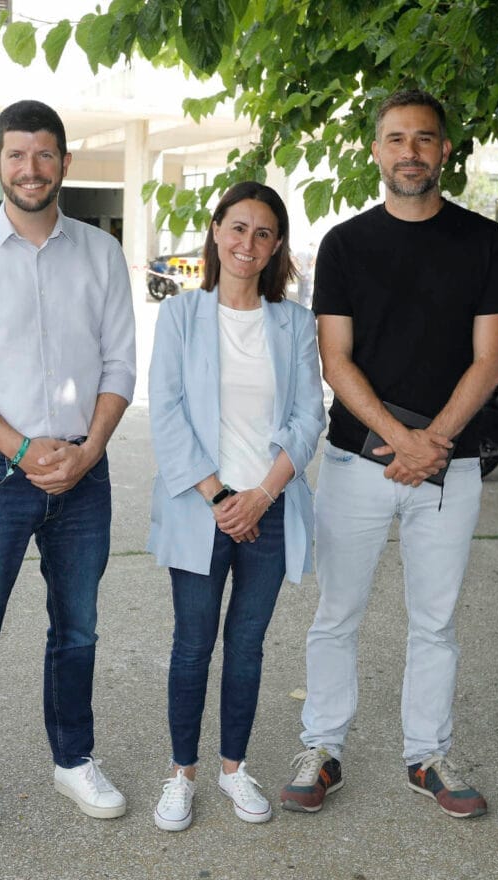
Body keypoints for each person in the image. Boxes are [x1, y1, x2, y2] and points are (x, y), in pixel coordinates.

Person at [281, 88, 498, 818]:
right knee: (336, 613)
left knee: (436, 620)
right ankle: (321, 748)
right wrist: (401, 439)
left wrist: (432, 442)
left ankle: (429, 755)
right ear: (376, 151)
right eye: (396, 138)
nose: (410, 151)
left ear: (445, 151)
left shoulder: (483, 241)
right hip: (356, 463)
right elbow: (336, 360)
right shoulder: (346, 245)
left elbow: (490, 360)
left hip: (451, 467)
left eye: (424, 138)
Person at [0, 99, 137, 852]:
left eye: (45, 155)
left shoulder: (101, 254)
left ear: (66, 164)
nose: (31, 169)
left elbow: (118, 366)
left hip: (86, 467)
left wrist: (88, 450)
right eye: (17, 155)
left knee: (77, 630)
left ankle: (73, 760)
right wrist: (20, 450)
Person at [147, 182, 325, 832]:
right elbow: (165, 415)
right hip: (203, 508)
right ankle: (181, 776)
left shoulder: (294, 322)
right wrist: (222, 497)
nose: (247, 243)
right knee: (192, 645)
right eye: (237, 227)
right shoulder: (182, 316)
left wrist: (262, 494)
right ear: (216, 231)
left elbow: (310, 415)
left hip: (270, 508)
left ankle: (232, 769)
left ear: (276, 246)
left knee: (246, 646)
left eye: (263, 233)